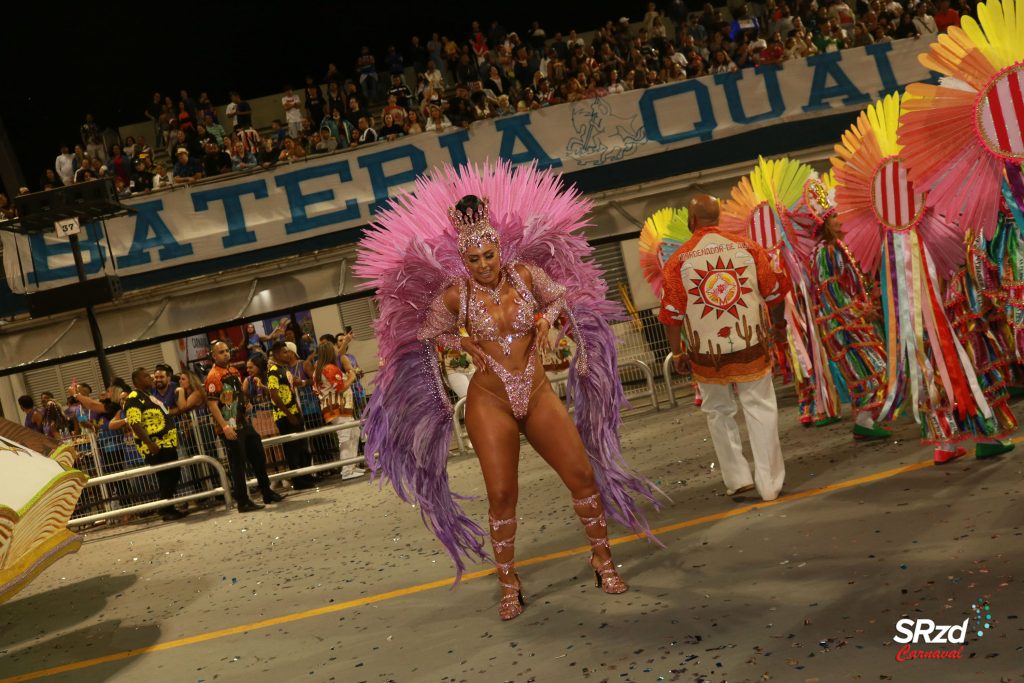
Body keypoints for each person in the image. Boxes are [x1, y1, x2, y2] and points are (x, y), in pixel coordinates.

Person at [355, 164, 658, 621]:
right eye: (474, 260)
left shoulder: (528, 276)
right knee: (501, 495)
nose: (483, 265)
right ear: (464, 259)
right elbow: (429, 333)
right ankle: (508, 580)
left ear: (498, 246)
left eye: (489, 255)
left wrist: (550, 326)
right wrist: (463, 342)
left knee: (580, 477)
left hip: (536, 392)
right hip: (489, 400)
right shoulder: (456, 295)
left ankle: (602, 559)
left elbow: (560, 300)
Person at [660, 194, 791, 502]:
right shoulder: (748, 248)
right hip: (752, 344)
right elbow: (774, 292)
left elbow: (671, 314)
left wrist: (677, 352)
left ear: (692, 222)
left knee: (718, 412)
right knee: (760, 406)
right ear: (718, 217)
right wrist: (780, 328)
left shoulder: (678, 260)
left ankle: (738, 478)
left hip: (707, 354)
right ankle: (769, 483)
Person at [205, 339, 284, 511]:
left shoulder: (233, 371)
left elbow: (239, 394)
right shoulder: (213, 376)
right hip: (230, 427)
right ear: (213, 355)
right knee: (238, 465)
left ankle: (267, 492)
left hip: (244, 423)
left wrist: (246, 404)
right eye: (221, 352)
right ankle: (242, 501)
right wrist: (225, 427)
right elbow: (212, 405)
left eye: (227, 350)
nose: (225, 354)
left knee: (258, 457)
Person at [124, 367, 186, 521]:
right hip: (155, 446)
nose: (151, 378)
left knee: (171, 474)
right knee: (169, 475)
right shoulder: (134, 397)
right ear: (136, 381)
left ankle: (168, 507)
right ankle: (166, 509)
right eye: (146, 377)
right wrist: (149, 443)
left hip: (167, 443)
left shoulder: (150, 396)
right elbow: (134, 423)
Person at [311, 341, 366, 479]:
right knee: (345, 437)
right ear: (330, 351)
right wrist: (352, 376)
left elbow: (317, 391)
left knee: (354, 433)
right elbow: (341, 388)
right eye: (335, 348)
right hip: (338, 408)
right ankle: (346, 471)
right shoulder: (329, 368)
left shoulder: (320, 368)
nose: (337, 350)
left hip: (336, 407)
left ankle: (351, 467)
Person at [267, 341, 315, 489]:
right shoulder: (273, 371)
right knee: (292, 449)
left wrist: (297, 411)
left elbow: (290, 391)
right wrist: (289, 414)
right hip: (284, 416)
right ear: (276, 355)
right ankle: (298, 481)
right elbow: (274, 395)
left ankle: (306, 477)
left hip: (294, 412)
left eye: (288, 351)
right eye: (285, 352)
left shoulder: (285, 369)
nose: (289, 354)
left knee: (303, 448)